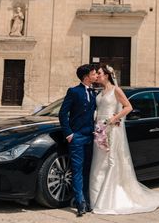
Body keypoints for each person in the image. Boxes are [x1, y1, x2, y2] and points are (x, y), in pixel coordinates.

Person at [89, 65, 159, 214]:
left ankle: (108, 200)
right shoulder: (100, 92)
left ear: (107, 75)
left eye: (99, 73)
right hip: (99, 129)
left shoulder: (116, 90)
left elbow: (128, 107)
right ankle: (96, 198)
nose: (97, 75)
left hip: (111, 129)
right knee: (98, 163)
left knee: (110, 161)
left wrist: (113, 118)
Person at [58, 64, 99, 217]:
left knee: (87, 170)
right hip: (77, 137)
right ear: (86, 76)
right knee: (77, 170)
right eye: (94, 73)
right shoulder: (74, 91)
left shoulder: (94, 92)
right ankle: (80, 202)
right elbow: (63, 114)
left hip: (91, 136)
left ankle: (88, 201)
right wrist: (69, 134)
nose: (96, 76)